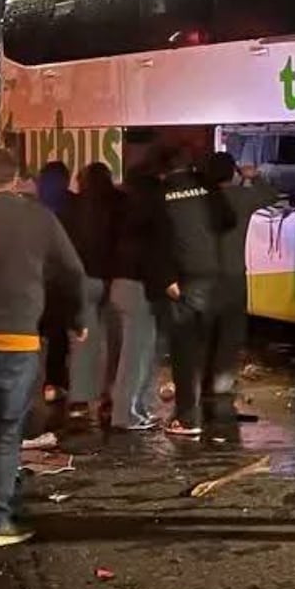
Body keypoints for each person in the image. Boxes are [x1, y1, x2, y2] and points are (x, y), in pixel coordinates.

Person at [0, 148, 86, 544]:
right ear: (15, 179)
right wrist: (79, 318)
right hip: (16, 340)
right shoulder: (38, 217)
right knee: (6, 431)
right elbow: (73, 271)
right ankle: (0, 521)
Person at [159, 146, 233, 437]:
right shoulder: (207, 188)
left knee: (184, 350)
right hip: (212, 275)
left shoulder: (161, 194)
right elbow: (227, 219)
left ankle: (189, 417)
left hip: (183, 280)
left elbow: (158, 238)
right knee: (205, 343)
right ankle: (206, 409)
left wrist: (166, 278)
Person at [203, 153, 277, 422]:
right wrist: (254, 177)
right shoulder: (242, 197)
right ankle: (222, 382)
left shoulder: (200, 199)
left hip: (203, 276)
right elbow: (271, 196)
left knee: (205, 330)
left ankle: (204, 379)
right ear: (232, 173)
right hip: (234, 275)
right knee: (231, 330)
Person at [106, 157, 174, 430]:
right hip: (138, 289)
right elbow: (154, 257)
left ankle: (137, 410)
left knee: (136, 352)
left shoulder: (123, 210)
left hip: (119, 285)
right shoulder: (151, 215)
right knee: (137, 355)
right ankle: (126, 415)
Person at [60, 163, 120, 424]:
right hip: (115, 278)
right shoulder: (120, 203)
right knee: (115, 340)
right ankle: (110, 396)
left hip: (82, 279)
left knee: (83, 341)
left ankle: (80, 400)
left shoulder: (72, 207)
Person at [35, 161, 73, 404]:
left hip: (35, 278)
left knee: (34, 333)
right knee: (58, 334)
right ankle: (54, 381)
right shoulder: (73, 206)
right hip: (59, 279)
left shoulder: (33, 208)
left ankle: (37, 383)